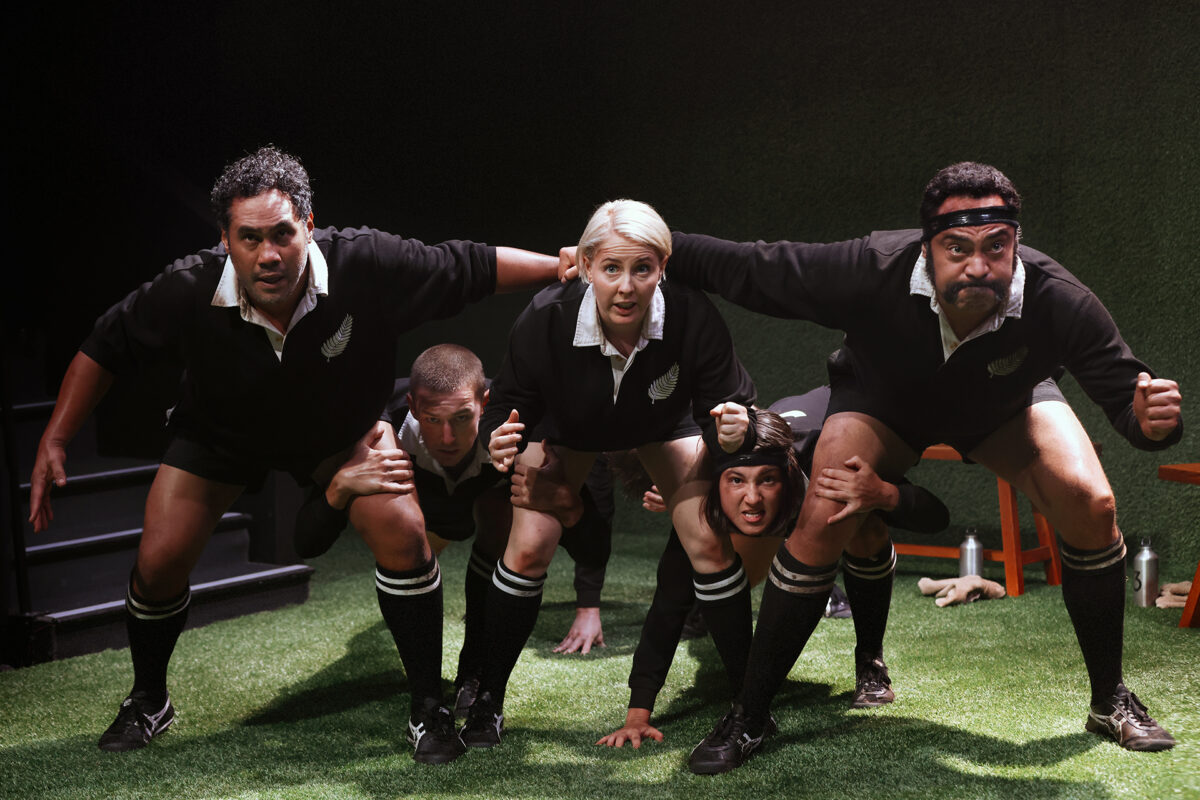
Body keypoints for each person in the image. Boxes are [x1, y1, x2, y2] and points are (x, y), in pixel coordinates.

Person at [27, 146, 564, 765]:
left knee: (403, 529)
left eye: (282, 233)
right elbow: (105, 344)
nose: (269, 254)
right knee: (159, 560)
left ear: (308, 226)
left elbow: (467, 265)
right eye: (249, 238)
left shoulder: (364, 261)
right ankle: (149, 696)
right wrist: (56, 438)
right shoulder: (188, 287)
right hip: (219, 436)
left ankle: (427, 705)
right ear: (226, 240)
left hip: (341, 434)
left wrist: (563, 267)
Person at [660, 162, 1183, 771]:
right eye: (956, 248)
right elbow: (754, 267)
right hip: (884, 405)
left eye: (996, 246)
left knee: (1091, 503)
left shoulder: (1055, 297)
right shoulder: (872, 268)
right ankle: (751, 712)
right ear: (927, 247)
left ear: (1016, 241)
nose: (978, 265)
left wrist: (1153, 424)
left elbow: (1127, 399)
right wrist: (646, 250)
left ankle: (1109, 700)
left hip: (1001, 406)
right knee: (826, 511)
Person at [461, 199, 758, 749]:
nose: (626, 286)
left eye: (642, 269)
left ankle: (749, 706)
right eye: (612, 269)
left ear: (662, 268)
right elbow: (506, 404)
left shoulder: (693, 315)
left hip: (660, 424)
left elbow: (730, 405)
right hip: (568, 427)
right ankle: (487, 703)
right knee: (526, 548)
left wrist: (732, 435)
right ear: (587, 265)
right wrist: (497, 439)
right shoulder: (546, 316)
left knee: (709, 544)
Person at [597, 387, 950, 757]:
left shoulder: (829, 463)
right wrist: (638, 713)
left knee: (864, 523)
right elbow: (668, 599)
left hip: (835, 428)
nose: (751, 497)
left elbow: (938, 517)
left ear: (787, 473)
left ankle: (870, 665)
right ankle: (720, 607)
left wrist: (884, 494)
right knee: (712, 569)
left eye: (767, 480)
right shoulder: (705, 498)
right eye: (736, 481)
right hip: (772, 495)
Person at [292, 344, 615, 717]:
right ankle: (427, 703)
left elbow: (595, 540)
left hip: (486, 503)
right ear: (412, 407)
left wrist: (570, 511)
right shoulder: (373, 422)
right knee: (402, 538)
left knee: (515, 519)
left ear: (485, 402)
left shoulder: (521, 421)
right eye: (432, 420)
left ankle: (475, 671)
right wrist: (339, 487)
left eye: (462, 418)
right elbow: (306, 542)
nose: (447, 438)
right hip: (423, 518)